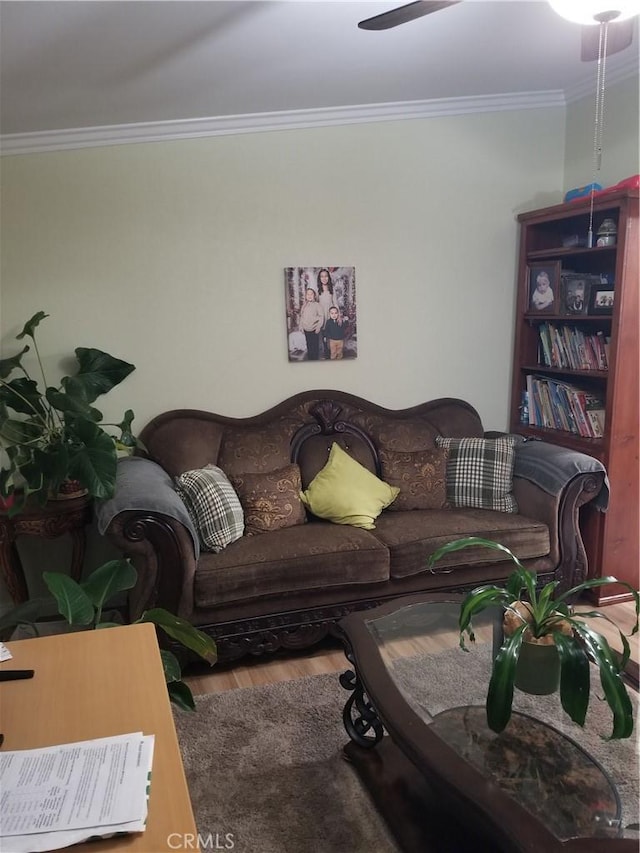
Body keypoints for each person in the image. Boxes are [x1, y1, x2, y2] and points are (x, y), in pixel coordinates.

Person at [317, 268, 337, 359]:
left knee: (332, 335)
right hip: (322, 316)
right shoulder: (318, 291)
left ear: (328, 277)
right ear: (319, 278)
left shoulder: (332, 290)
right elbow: (315, 305)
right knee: (324, 336)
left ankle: (333, 351)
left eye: (326, 276)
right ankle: (326, 352)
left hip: (330, 315)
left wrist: (338, 315)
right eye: (322, 276)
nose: (324, 278)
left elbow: (335, 303)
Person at [299, 287, 323, 360]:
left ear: (314, 296)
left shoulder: (317, 305)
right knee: (309, 345)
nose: (309, 296)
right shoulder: (304, 306)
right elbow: (302, 316)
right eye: (308, 294)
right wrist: (301, 326)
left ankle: (315, 359)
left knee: (315, 346)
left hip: (314, 329)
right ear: (306, 296)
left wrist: (318, 326)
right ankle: (310, 358)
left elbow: (321, 316)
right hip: (306, 328)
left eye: (311, 294)